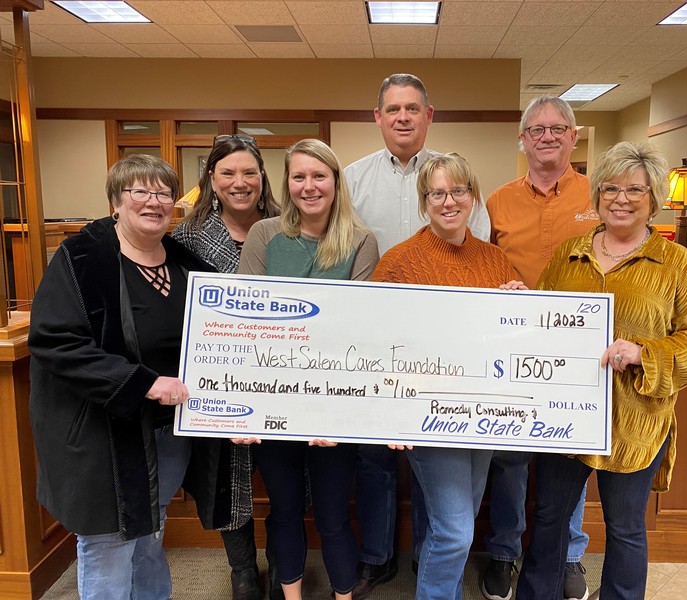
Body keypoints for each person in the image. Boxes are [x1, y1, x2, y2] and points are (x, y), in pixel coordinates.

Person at [516, 141, 687, 600]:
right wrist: (519, 304)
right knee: (549, 519)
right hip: (566, 417)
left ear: (653, 198)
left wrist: (645, 353)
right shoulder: (569, 254)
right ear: (597, 195)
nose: (621, 199)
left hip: (636, 419)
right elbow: (542, 323)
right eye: (610, 188)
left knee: (625, 527)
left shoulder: (677, 265)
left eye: (635, 189)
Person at [27, 155, 225, 600]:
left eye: (163, 193)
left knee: (150, 531)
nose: (153, 202)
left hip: (166, 431)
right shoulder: (81, 259)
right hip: (103, 434)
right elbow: (55, 342)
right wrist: (144, 383)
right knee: (109, 543)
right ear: (116, 200)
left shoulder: (186, 265)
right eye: (140, 191)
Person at [344, 72, 490, 599]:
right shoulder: (353, 180)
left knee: (450, 515)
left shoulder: (477, 225)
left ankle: (430, 561)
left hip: (463, 388)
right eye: (393, 108)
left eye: (412, 108)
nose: (402, 117)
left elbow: (481, 279)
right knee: (379, 469)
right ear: (378, 117)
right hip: (395, 368)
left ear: (429, 115)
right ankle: (379, 559)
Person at [371, 152, 525, 600]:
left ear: (472, 196)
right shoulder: (399, 263)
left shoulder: (496, 260)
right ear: (424, 202)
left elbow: (516, 340)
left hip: (483, 415)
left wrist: (521, 304)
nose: (449, 201)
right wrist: (391, 415)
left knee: (454, 526)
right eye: (437, 193)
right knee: (456, 530)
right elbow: (374, 345)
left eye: (458, 191)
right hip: (428, 417)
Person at [237, 138, 379, 600]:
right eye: (299, 176)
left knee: (334, 515)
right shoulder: (264, 235)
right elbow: (247, 323)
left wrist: (331, 411)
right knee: (284, 509)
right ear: (287, 183)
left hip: (335, 406)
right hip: (275, 401)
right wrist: (244, 409)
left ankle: (343, 595)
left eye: (319, 176)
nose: (309, 186)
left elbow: (359, 330)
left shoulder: (361, 240)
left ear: (336, 183)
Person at [482, 96, 600, 600]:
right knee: (510, 456)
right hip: (514, 346)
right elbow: (481, 264)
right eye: (536, 129)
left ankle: (568, 553)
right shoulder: (497, 201)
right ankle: (504, 551)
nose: (547, 136)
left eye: (557, 128)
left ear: (573, 136)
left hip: (580, 348)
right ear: (522, 139)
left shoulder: (600, 194)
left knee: (572, 452)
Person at [172, 134, 282, 600]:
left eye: (249, 172)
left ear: (262, 177)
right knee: (229, 480)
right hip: (220, 382)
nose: (240, 182)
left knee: (287, 478)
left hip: (283, 377)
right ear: (211, 181)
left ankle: (284, 564)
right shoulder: (186, 239)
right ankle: (242, 570)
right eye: (228, 173)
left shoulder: (288, 228)